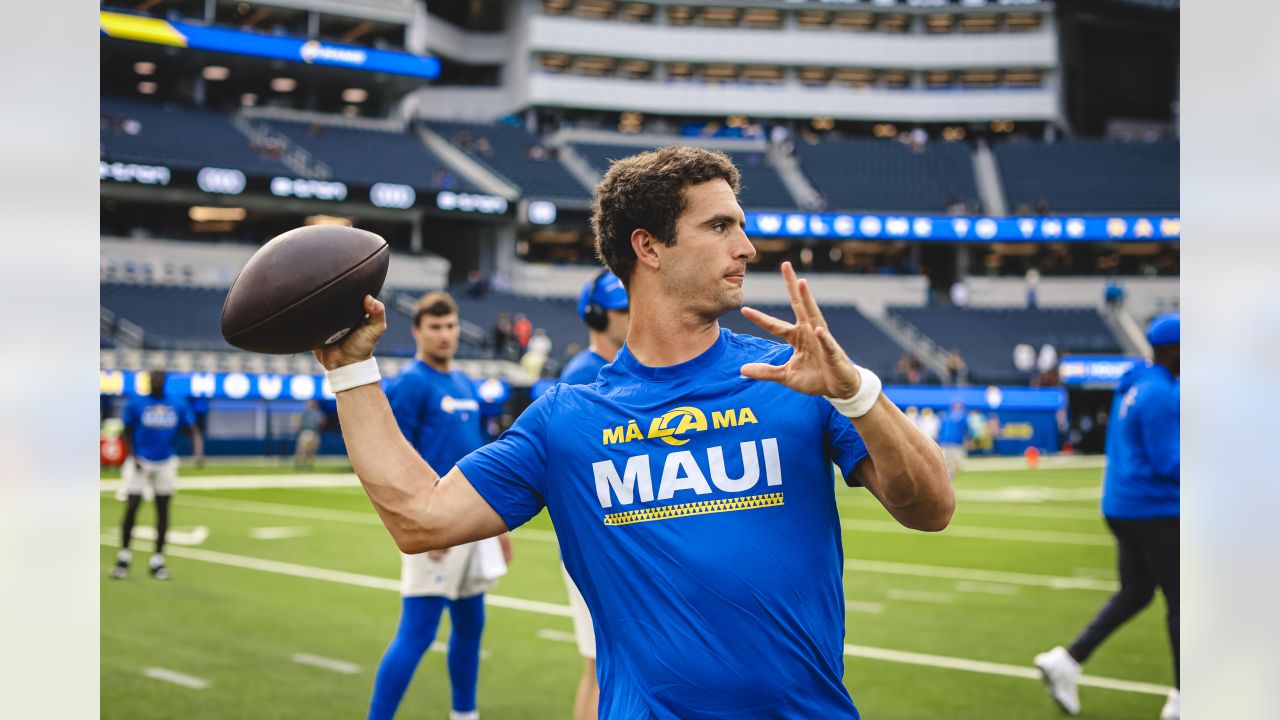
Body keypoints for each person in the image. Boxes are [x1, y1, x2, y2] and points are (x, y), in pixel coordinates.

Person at [315, 147, 953, 719]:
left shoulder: (792, 378)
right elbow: (420, 519)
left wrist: (859, 393)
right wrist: (352, 373)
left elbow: (931, 508)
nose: (748, 247)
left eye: (742, 225)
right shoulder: (567, 419)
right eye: (720, 226)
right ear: (649, 248)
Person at [368, 291, 513, 720]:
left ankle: (464, 714)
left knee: (471, 626)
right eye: (435, 327)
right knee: (417, 631)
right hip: (433, 525)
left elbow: (480, 457)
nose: (445, 335)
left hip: (471, 523)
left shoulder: (465, 382)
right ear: (417, 330)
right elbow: (391, 455)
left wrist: (499, 525)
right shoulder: (412, 382)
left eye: (450, 326)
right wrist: (420, 523)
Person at [1035, 313, 1180, 720]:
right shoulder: (1160, 394)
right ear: (1174, 350)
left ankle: (1068, 659)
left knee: (1136, 591)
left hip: (1123, 504)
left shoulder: (1136, 385)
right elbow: (1169, 463)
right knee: (1183, 600)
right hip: (1155, 508)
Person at [559, 270, 631, 720]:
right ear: (597, 315)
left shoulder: (614, 369)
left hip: (614, 537)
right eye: (623, 308)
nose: (633, 314)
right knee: (600, 666)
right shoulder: (586, 375)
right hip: (598, 539)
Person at [111, 370, 203, 581]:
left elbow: (192, 428)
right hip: (140, 460)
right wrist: (133, 455)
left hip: (166, 460)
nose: (156, 382)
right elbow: (126, 430)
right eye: (153, 378)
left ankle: (158, 560)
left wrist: (198, 451)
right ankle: (124, 556)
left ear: (165, 381)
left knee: (163, 509)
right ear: (148, 381)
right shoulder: (136, 402)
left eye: (160, 378)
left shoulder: (176, 403)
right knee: (132, 506)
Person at [936, 401, 970, 479]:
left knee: (951, 462)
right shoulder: (961, 417)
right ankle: (948, 477)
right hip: (954, 443)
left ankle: (948, 477)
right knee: (953, 462)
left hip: (950, 442)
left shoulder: (946, 416)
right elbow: (967, 430)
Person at [294, 400, 325, 469]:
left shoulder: (318, 413)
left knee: (312, 450)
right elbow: (298, 422)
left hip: (314, 432)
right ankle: (298, 464)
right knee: (302, 449)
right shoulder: (304, 413)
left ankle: (309, 465)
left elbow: (321, 422)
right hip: (306, 432)